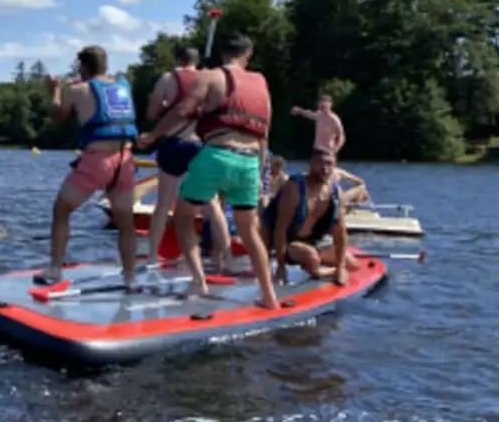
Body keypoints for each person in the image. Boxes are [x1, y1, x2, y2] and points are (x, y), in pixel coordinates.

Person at [138, 32, 280, 308]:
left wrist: (153, 136)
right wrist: (262, 175)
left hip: (217, 155)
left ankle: (199, 281)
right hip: (250, 161)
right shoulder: (261, 82)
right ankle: (269, 296)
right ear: (248, 56)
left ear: (220, 55)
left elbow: (182, 110)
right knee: (249, 230)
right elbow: (265, 132)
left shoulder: (210, 76)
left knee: (182, 216)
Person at [36, 45, 139, 288]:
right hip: (124, 161)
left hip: (97, 160)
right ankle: (130, 277)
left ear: (83, 66)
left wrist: (54, 91)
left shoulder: (77, 89)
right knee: (126, 224)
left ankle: (54, 269)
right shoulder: (123, 86)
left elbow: (58, 117)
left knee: (61, 210)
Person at [143, 44, 224, 262]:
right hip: (197, 144)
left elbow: (151, 113)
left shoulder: (168, 79)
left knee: (163, 203)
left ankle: (152, 256)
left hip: (172, 143)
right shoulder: (209, 79)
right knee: (212, 203)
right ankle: (226, 258)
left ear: (178, 60)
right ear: (196, 61)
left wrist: (166, 106)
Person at [261, 146, 358, 285]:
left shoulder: (335, 193)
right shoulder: (295, 187)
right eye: (320, 163)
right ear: (311, 164)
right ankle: (320, 269)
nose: (325, 168)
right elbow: (280, 228)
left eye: (329, 164)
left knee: (353, 264)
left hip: (314, 241)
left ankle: (326, 267)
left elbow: (340, 231)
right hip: (289, 242)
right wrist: (281, 266)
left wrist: (341, 265)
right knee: (310, 257)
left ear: (335, 166)